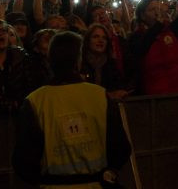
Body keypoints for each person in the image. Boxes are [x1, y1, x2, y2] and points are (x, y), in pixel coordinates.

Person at [12, 31, 130, 188]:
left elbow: (23, 159)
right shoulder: (99, 95)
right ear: (78, 60)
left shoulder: (35, 101)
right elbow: (120, 147)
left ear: (50, 59)